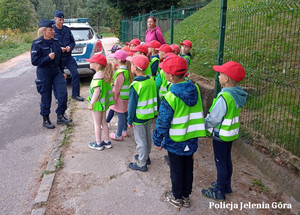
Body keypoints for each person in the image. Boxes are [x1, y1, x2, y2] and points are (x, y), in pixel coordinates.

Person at [153, 55, 206, 209]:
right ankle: (186, 196)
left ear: (169, 76)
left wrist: (157, 140)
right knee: (188, 168)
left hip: (176, 140)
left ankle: (177, 197)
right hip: (191, 138)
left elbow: (163, 122)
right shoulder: (195, 88)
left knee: (176, 170)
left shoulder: (170, 97)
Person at [201, 61, 248, 201]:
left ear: (226, 79)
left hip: (220, 135)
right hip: (230, 134)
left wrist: (204, 124)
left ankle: (219, 191)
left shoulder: (225, 97)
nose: (218, 75)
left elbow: (215, 118)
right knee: (226, 160)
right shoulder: (236, 94)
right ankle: (226, 185)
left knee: (220, 162)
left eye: (220, 73)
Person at [31, 20, 72, 129]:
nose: (53, 31)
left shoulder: (55, 42)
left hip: (56, 71)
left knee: (63, 93)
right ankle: (46, 119)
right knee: (46, 96)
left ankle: (60, 116)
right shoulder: (37, 44)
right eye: (51, 29)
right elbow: (35, 61)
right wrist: (47, 58)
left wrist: (61, 71)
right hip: (44, 73)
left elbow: (59, 59)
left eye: (53, 29)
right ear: (44, 31)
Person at [126, 55, 158, 172]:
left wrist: (129, 120)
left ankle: (141, 163)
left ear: (135, 68)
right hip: (149, 114)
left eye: (132, 64)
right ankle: (146, 156)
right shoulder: (151, 80)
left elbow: (131, 106)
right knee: (147, 138)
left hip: (139, 117)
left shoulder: (136, 85)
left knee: (140, 141)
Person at [53, 10, 84, 102]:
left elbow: (72, 42)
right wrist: (59, 49)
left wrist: (69, 47)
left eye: (63, 20)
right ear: (55, 19)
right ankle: (58, 97)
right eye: (60, 20)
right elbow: (50, 44)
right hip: (58, 58)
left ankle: (75, 94)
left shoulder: (66, 29)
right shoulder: (52, 30)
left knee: (75, 74)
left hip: (68, 57)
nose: (62, 22)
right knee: (58, 77)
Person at [86, 54, 114, 150]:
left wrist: (91, 103)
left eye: (91, 62)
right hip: (103, 104)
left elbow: (97, 92)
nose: (89, 63)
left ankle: (98, 143)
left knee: (97, 124)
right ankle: (107, 141)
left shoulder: (97, 76)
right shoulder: (104, 75)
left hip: (97, 104)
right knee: (104, 122)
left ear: (97, 65)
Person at [109, 50, 131, 140]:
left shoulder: (120, 73)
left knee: (121, 115)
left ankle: (118, 135)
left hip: (120, 98)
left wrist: (112, 99)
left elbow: (116, 89)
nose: (113, 61)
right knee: (125, 113)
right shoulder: (127, 70)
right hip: (126, 97)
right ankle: (124, 130)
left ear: (117, 60)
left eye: (114, 59)